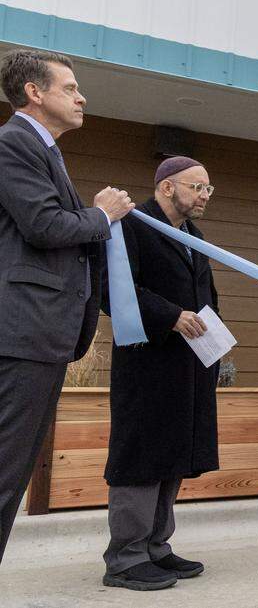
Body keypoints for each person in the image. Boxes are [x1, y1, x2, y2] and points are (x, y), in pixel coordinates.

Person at [0, 49, 133, 564]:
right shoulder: (14, 143)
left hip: (44, 336)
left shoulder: (45, 151)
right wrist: (100, 215)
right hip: (23, 334)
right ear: (35, 92)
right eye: (70, 87)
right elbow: (45, 225)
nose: (82, 98)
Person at [100, 157, 219, 590]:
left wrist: (214, 342)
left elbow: (206, 296)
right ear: (167, 188)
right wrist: (171, 315)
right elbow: (114, 289)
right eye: (198, 187)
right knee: (141, 458)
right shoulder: (132, 226)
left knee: (172, 456)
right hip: (147, 364)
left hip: (187, 367)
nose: (205, 195)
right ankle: (125, 557)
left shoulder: (194, 236)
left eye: (209, 189)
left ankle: (156, 548)